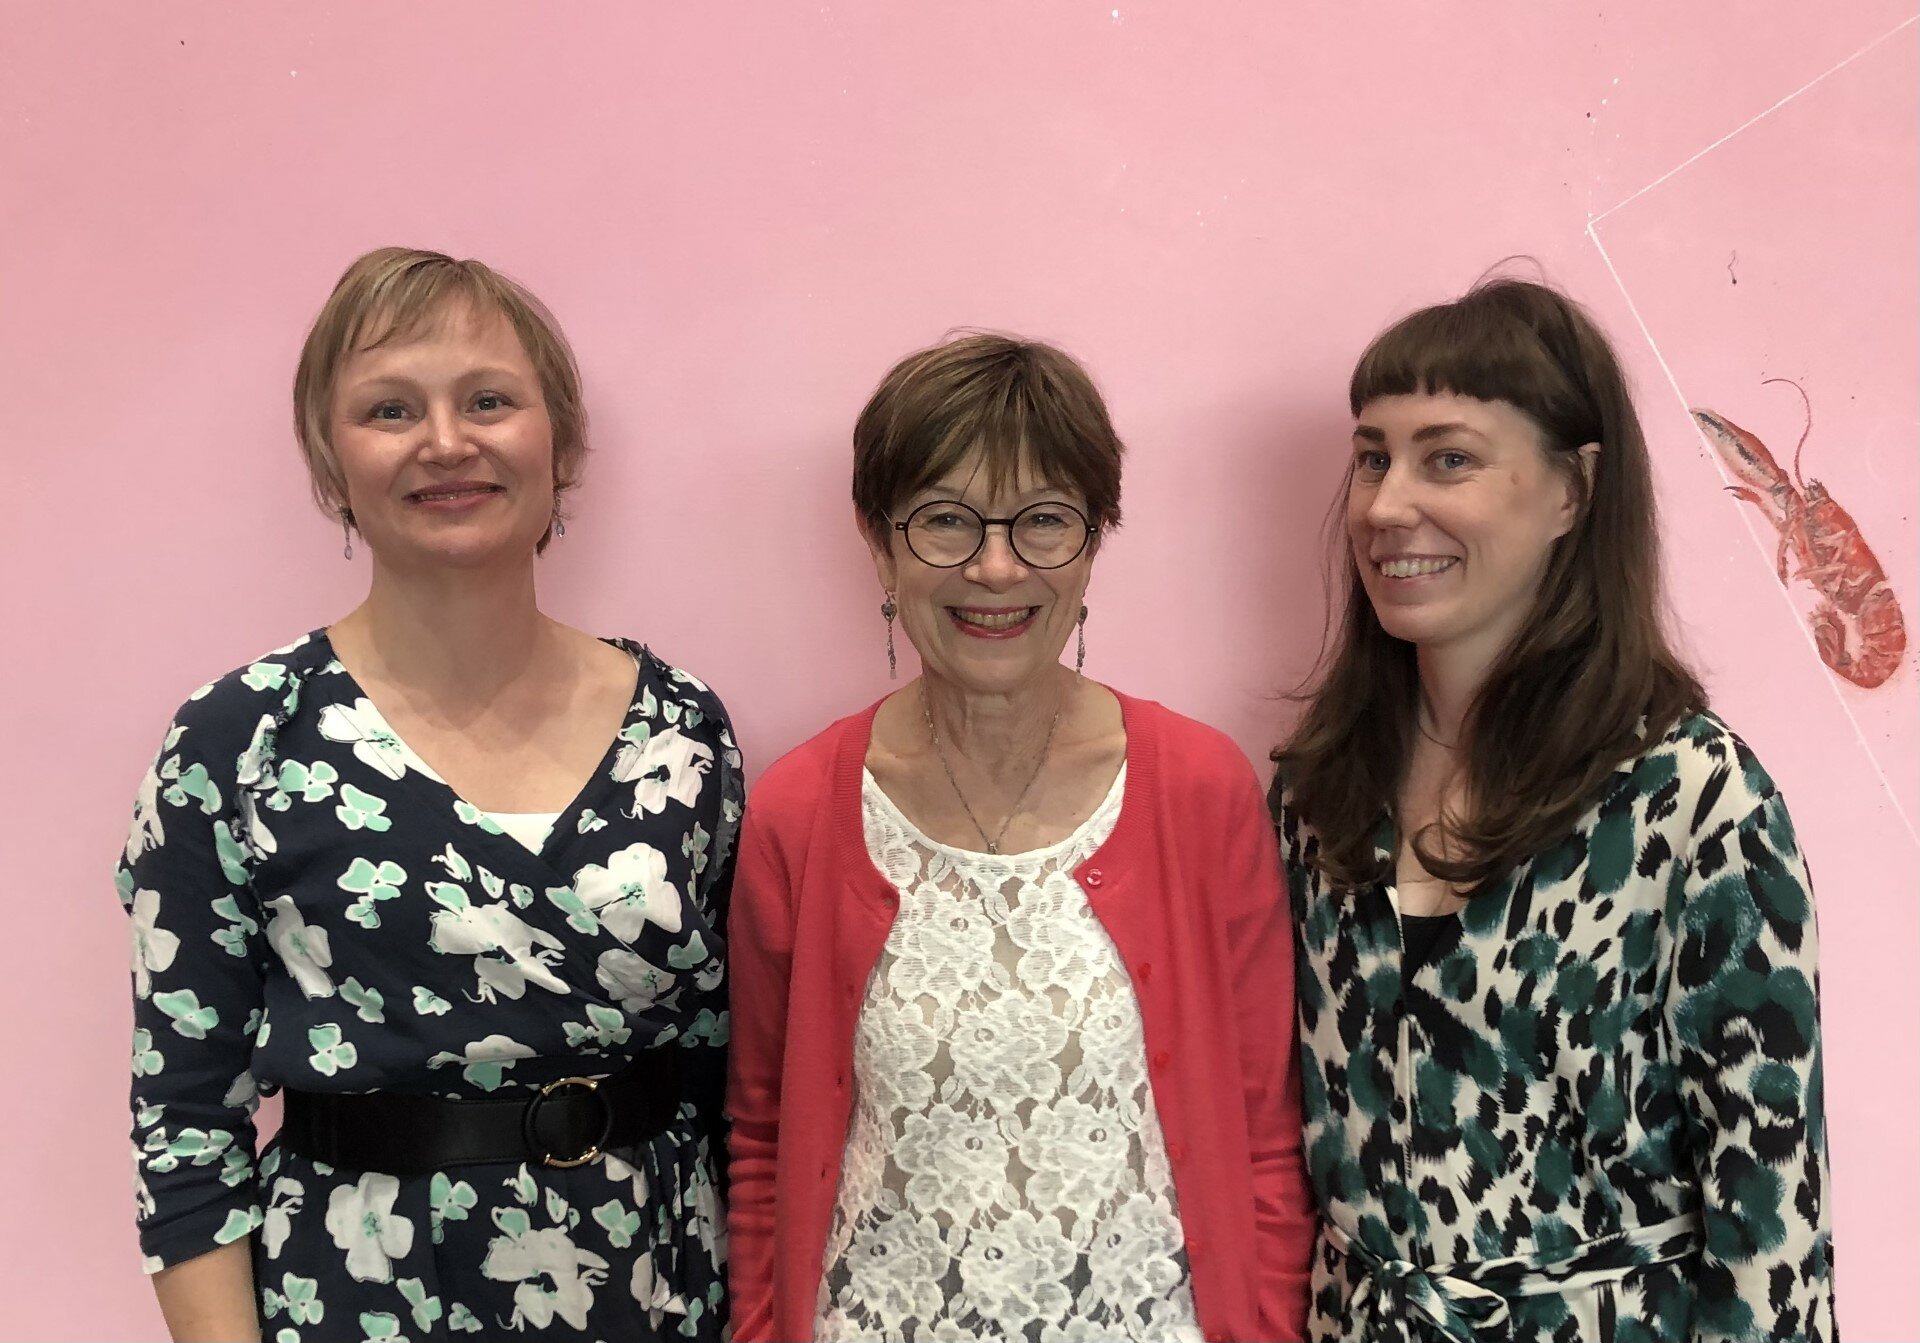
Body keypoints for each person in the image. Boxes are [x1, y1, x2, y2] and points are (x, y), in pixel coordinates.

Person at [118, 247, 739, 1340]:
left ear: (560, 440)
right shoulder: (239, 740)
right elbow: (184, 1123)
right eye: (391, 408)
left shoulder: (681, 731)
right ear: (330, 458)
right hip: (360, 1303)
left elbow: (728, 1074)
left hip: (657, 1295)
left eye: (489, 400)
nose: (447, 442)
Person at [1272, 276, 1836, 1341]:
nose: (1388, 505)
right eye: (1372, 456)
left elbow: (1773, 1219)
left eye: (1449, 457)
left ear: (1574, 492)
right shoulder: (1317, 792)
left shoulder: (1695, 801)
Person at [725, 332, 1317, 1343]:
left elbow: (1265, 1138)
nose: (995, 567)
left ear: (1094, 540)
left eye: (1044, 520)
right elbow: (760, 1144)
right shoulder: (801, 812)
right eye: (946, 521)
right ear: (879, 540)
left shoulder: (1200, 788)